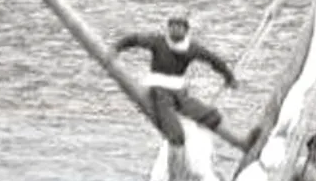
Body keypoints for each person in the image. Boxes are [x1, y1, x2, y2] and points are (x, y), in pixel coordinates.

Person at [111, 13, 259, 153]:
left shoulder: (191, 48)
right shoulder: (158, 42)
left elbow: (214, 60)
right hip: (159, 92)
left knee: (210, 116)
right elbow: (133, 39)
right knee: (175, 133)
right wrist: (115, 49)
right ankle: (177, 173)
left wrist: (229, 78)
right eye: (172, 26)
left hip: (179, 93)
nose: (174, 30)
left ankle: (241, 143)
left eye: (179, 26)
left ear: (186, 30)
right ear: (168, 28)